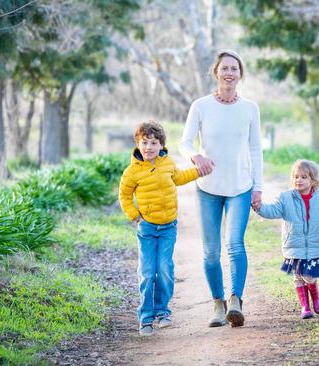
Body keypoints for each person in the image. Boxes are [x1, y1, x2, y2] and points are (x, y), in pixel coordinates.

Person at [179, 49, 263, 328]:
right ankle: (218, 304)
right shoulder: (201, 105)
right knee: (211, 251)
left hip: (240, 186)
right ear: (216, 72)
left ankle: (236, 300)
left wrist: (258, 187)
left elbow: (255, 150)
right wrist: (196, 157)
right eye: (225, 68)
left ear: (240, 75)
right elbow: (185, 142)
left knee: (235, 245)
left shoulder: (250, 108)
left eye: (234, 69)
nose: (229, 73)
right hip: (208, 188)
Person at [119, 121, 201, 336]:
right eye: (144, 142)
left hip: (168, 228)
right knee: (147, 273)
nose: (148, 147)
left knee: (164, 269)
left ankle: (163, 312)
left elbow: (180, 177)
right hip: (146, 228)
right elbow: (125, 196)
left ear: (161, 145)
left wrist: (198, 171)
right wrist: (134, 215)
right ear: (137, 144)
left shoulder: (167, 163)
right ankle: (145, 318)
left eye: (153, 143)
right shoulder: (131, 172)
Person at [253, 160, 319, 319]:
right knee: (298, 276)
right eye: (296, 176)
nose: (299, 180)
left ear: (313, 180)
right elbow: (273, 211)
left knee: (309, 275)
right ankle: (305, 306)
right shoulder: (285, 198)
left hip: (313, 246)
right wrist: (260, 208)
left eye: (304, 177)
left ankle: (316, 297)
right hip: (293, 245)